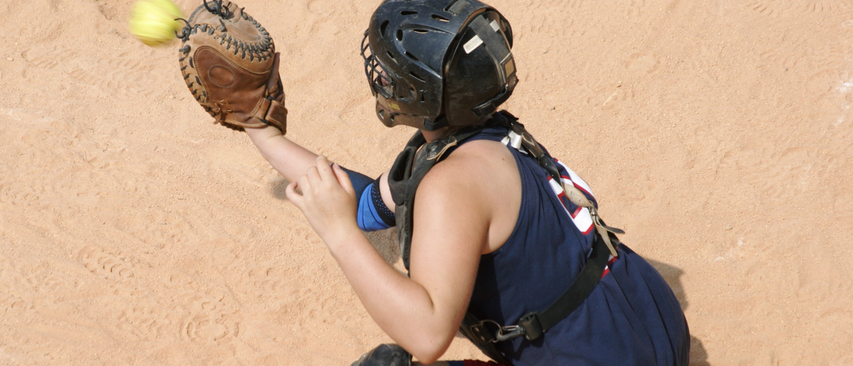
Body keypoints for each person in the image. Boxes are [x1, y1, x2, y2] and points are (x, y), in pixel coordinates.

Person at [243, 0, 690, 365]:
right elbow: (364, 205)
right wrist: (261, 131)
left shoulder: (451, 185)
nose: (379, 76)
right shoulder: (484, 134)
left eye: (387, 70)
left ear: (417, 93)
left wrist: (338, 233)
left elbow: (428, 334)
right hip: (648, 324)